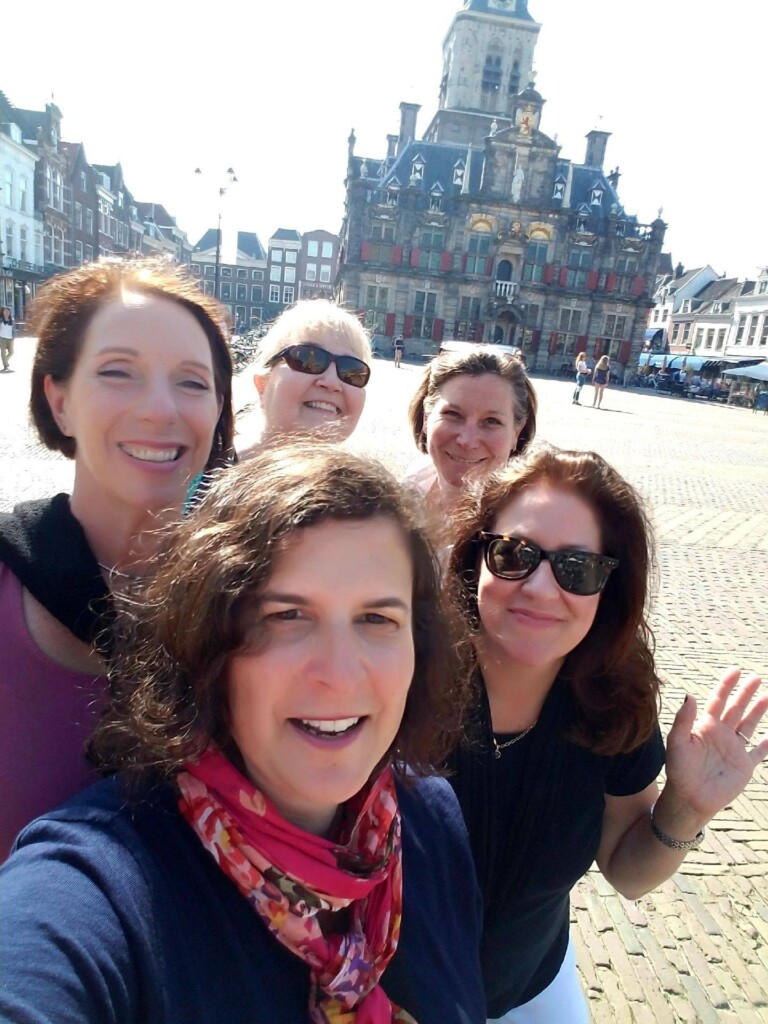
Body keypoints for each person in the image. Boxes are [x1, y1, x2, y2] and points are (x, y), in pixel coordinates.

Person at [0, 445, 486, 1024]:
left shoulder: (429, 821)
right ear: (210, 644)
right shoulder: (102, 889)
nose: (339, 672)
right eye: (286, 616)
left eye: (377, 619)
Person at [447, 443, 768, 1022]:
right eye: (514, 554)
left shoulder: (610, 702)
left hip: (529, 992)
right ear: (476, 559)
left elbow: (627, 870)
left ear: (607, 588)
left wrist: (687, 809)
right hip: (380, 994)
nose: (542, 589)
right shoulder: (402, 681)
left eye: (577, 568)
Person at [0, 258, 235, 858]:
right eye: (117, 372)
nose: (161, 408)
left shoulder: (251, 596)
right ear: (59, 403)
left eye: (192, 382)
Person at [405, 348, 537, 524]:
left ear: (517, 433)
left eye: (491, 421)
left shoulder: (529, 532)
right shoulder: (409, 488)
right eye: (453, 414)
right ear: (426, 419)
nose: (467, 441)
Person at [237, 299, 371, 457]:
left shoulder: (360, 480)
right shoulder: (208, 472)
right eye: (306, 360)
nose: (332, 382)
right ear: (263, 385)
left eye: (351, 370)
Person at [0, 306, 13, 372]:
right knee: (3, 353)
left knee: (11, 352)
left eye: (8, 311)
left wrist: (13, 337)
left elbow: (13, 330)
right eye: (5, 311)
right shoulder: (1, 320)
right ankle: (6, 366)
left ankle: (5, 363)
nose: (7, 313)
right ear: (3, 312)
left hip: (10, 338)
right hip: (2, 338)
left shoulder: (12, 320)